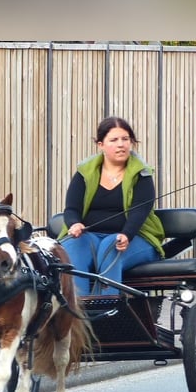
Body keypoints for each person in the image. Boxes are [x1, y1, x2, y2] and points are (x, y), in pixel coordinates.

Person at [59, 116, 165, 296]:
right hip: (90, 237)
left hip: (135, 237)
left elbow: (140, 211)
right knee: (72, 248)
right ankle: (78, 314)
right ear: (101, 145)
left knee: (111, 245)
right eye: (114, 140)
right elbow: (71, 209)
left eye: (125, 139)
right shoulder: (84, 173)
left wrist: (127, 234)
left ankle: (106, 311)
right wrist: (74, 224)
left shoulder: (142, 174)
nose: (121, 145)